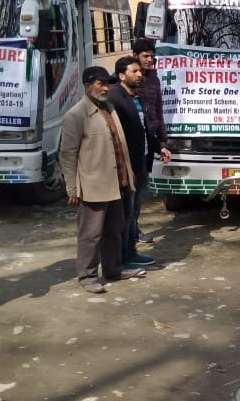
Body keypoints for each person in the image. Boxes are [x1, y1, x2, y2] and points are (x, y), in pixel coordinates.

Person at [60, 66, 139, 294]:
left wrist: (128, 175)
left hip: (116, 182)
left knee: (115, 230)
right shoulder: (76, 115)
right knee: (91, 234)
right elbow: (67, 154)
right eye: (100, 84)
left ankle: (113, 270)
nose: (105, 88)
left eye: (108, 84)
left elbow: (119, 145)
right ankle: (87, 276)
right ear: (87, 85)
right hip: (92, 185)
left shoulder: (109, 108)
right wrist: (72, 188)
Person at [109, 56, 167, 274]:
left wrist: (159, 147)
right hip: (127, 166)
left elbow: (143, 130)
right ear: (121, 75)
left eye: (139, 71)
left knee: (134, 212)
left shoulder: (136, 97)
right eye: (134, 71)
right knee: (125, 213)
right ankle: (122, 259)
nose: (140, 74)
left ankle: (132, 252)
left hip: (142, 162)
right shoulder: (115, 99)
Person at [132, 39, 171, 244]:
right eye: (145, 56)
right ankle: (127, 233)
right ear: (135, 56)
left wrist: (162, 141)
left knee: (140, 191)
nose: (150, 60)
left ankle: (134, 229)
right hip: (132, 143)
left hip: (150, 142)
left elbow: (158, 112)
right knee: (130, 192)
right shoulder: (125, 79)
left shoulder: (154, 79)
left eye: (152, 56)